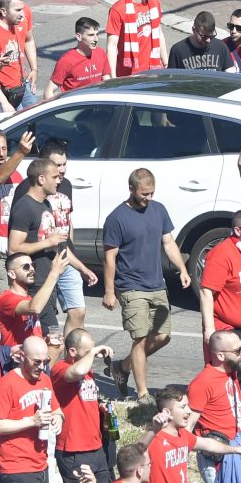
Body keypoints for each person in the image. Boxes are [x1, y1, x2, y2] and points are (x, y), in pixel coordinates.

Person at [101, 169, 187, 404]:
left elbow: (168, 242)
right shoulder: (116, 218)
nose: (148, 198)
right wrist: (109, 291)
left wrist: (183, 269)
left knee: (163, 336)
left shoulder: (158, 210)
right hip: (130, 286)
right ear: (131, 190)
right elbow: (110, 257)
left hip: (157, 284)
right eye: (144, 194)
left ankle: (124, 366)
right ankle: (142, 393)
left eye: (151, 193)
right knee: (139, 338)